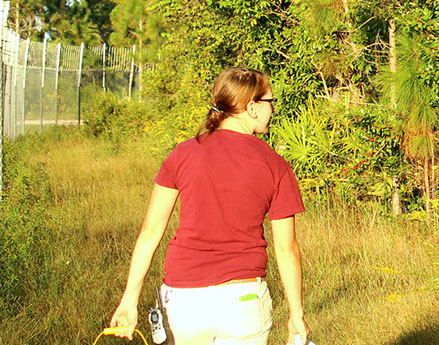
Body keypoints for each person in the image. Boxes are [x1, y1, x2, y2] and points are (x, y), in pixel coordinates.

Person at [109, 67, 309, 345]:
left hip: (185, 302)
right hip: (244, 302)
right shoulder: (274, 164)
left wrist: (130, 299)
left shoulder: (183, 153)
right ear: (252, 107)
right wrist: (296, 313)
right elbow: (287, 250)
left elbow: (150, 232)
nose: (272, 109)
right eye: (270, 101)